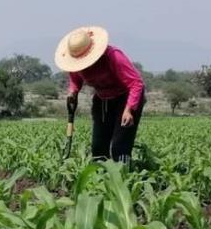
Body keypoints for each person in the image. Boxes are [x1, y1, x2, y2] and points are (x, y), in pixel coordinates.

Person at [54, 26, 146, 165]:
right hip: (102, 100)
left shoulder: (113, 56)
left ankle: (124, 179)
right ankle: (101, 180)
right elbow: (75, 79)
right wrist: (73, 91)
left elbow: (136, 83)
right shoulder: (76, 63)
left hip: (125, 99)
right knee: (98, 147)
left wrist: (129, 109)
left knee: (119, 147)